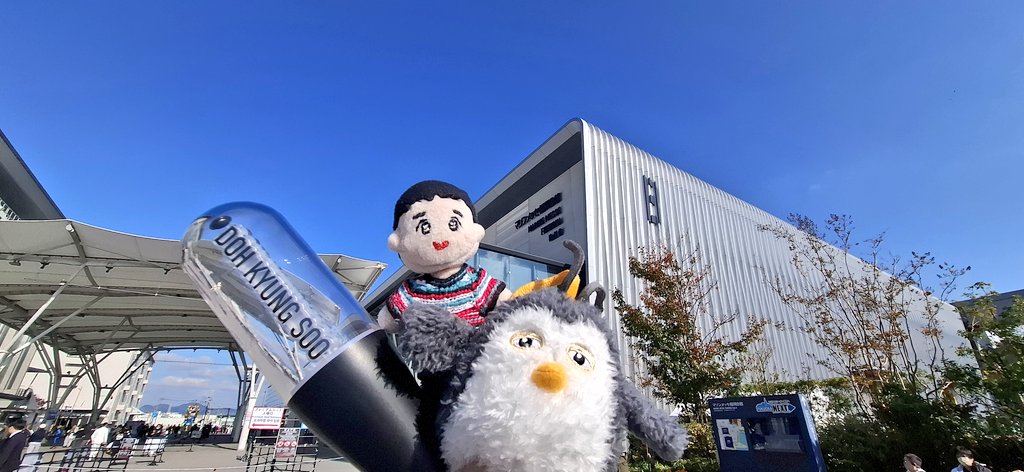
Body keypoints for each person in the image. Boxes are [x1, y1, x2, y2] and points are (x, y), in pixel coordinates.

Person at [380, 180, 511, 331]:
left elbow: (507, 302)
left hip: (472, 344)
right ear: (398, 242)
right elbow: (387, 321)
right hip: (426, 345)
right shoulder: (412, 290)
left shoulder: (476, 283)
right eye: (424, 227)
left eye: (453, 223)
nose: (439, 240)